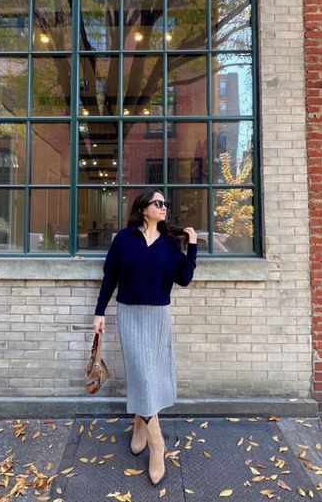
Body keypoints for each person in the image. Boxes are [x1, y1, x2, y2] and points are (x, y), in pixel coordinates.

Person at [92, 187, 198, 486]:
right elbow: (110, 276)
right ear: (143, 209)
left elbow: (185, 279)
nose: (164, 207)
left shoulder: (169, 243)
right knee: (141, 374)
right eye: (158, 203)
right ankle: (157, 444)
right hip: (130, 314)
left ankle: (140, 425)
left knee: (150, 376)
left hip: (158, 317)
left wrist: (192, 246)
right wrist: (99, 313)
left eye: (165, 203)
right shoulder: (124, 239)